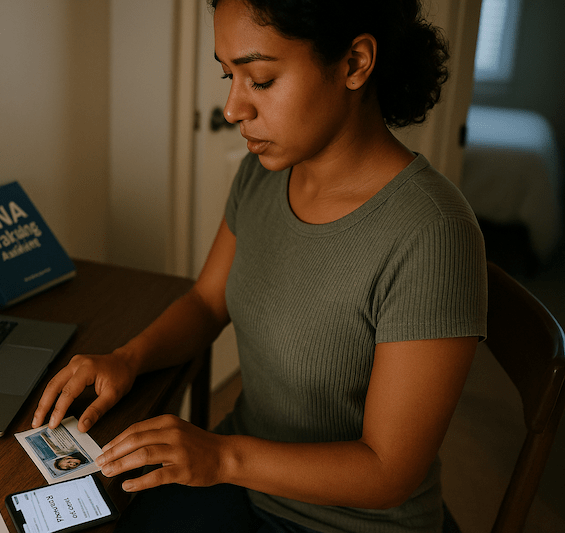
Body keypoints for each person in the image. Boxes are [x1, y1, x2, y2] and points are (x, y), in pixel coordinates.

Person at [33, 0, 487, 531]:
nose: (232, 110)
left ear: (355, 63)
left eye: (262, 80)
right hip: (247, 485)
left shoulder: (432, 233)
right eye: (230, 76)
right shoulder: (264, 173)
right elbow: (207, 303)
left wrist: (223, 456)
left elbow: (389, 470)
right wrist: (128, 359)